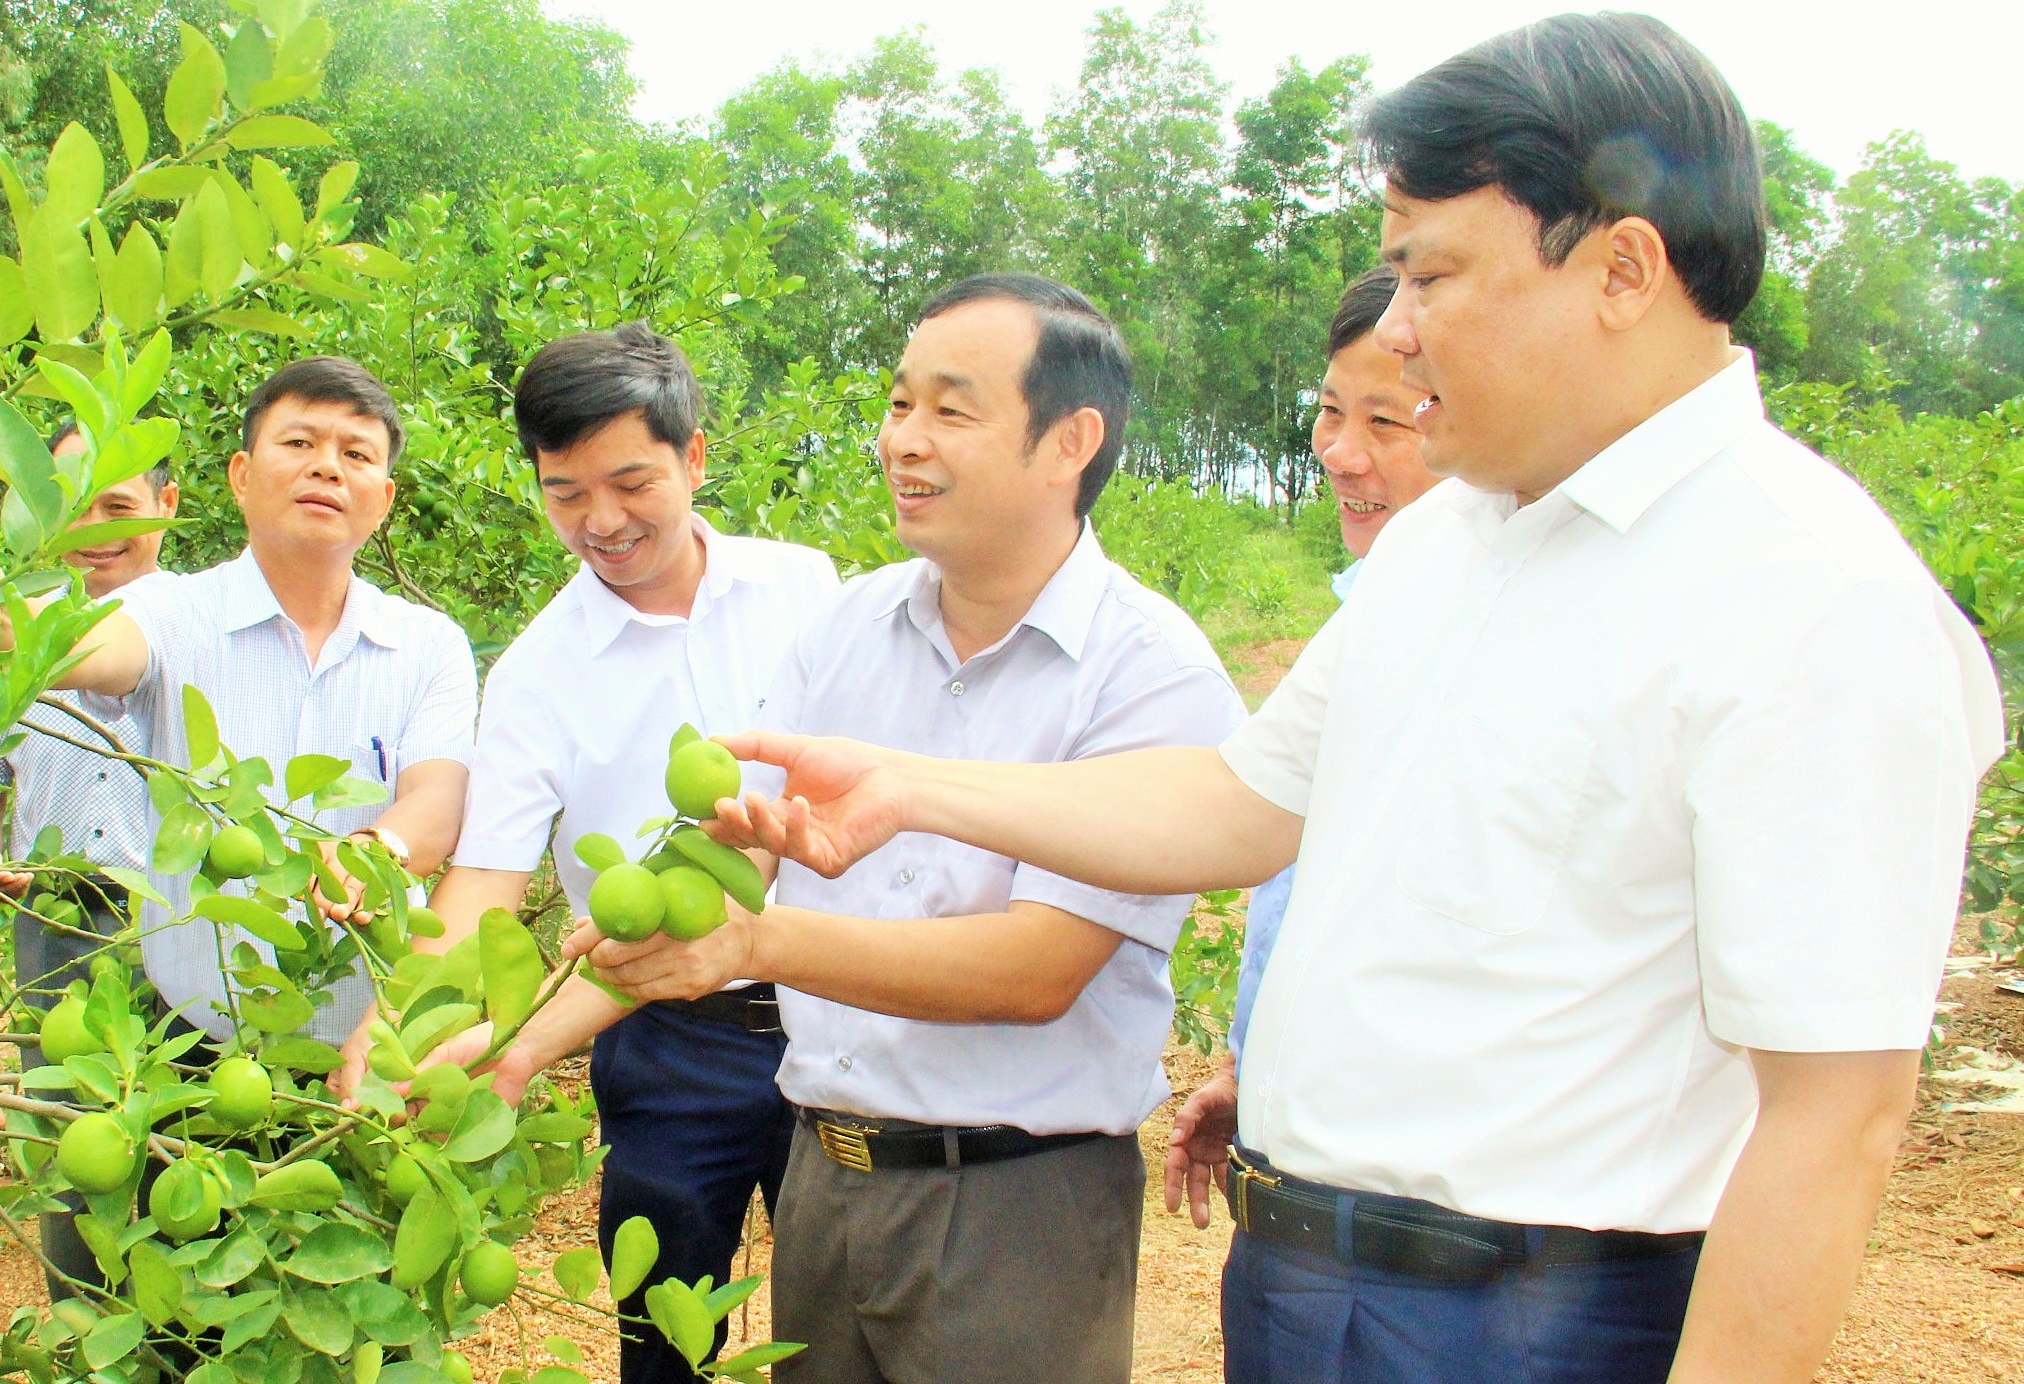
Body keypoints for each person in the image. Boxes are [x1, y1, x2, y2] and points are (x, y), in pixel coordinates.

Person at [679, 19, 2007, 1384]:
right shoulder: (1453, 541)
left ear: (1620, 267)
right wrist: (913, 789)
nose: (1399, 329)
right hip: (1307, 1284)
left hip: (1541, 1318)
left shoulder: (1809, 597)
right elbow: (1240, 802)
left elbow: (1833, 1117)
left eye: (1430, 274)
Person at [570, 273, 1245, 1384]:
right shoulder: (848, 625)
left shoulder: (1148, 674)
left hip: (1014, 1206)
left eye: (949, 408)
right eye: (896, 404)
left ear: (1069, 439)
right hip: (826, 1178)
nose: (902, 441)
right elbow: (742, 848)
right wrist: (513, 1045)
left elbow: (1036, 968)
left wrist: (758, 947)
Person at [334, 322, 840, 1382]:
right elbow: (482, 882)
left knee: (843, 1324)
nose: (601, 521)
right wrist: (399, 1021)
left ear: (694, 457)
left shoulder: (807, 590)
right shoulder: (536, 671)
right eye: (565, 493)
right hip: (664, 1035)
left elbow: (815, 812)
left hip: (839, 1006)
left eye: (630, 482)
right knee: (664, 1337)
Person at [45, 356, 476, 1046]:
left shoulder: (429, 644)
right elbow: (95, 650)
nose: (327, 468)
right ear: (242, 476)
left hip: (371, 1049)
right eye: (300, 443)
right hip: (195, 1050)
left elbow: (439, 796)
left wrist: (375, 849)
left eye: (355, 453)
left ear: (385, 497)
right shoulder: (168, 611)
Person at [1168, 266, 1440, 1226]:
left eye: (1388, 424)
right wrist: (1253, 1068)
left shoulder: (1467, 629)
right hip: (1301, 1177)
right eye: (1331, 414)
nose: (1340, 454)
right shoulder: (1367, 610)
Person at [0, 424, 178, 1265]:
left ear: (168, 506)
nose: (95, 530)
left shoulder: (205, 628)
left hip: (183, 924)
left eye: (118, 506)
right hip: (54, 923)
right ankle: (93, 1327)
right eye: (72, 509)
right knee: (79, 1155)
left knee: (195, 1140)